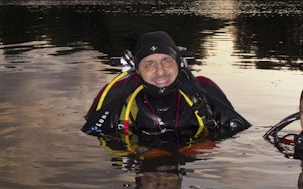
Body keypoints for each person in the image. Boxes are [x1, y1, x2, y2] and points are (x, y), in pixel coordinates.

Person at [82, 31, 250, 139]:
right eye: (149, 64)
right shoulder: (120, 97)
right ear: (138, 70)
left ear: (178, 63)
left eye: (166, 60)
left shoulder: (204, 90)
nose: (160, 71)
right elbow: (91, 134)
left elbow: (239, 131)